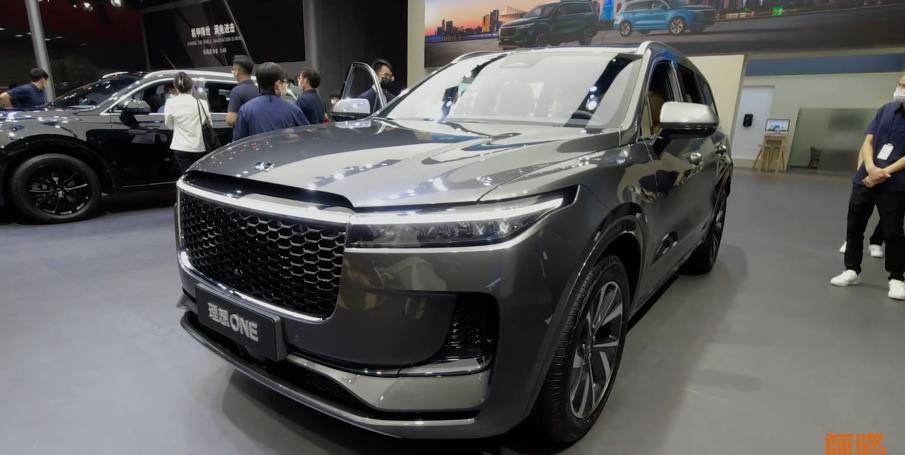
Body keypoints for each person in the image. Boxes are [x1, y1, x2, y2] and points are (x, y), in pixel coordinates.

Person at [831, 72, 905, 300]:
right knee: (854, 226)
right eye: (900, 84)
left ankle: (896, 278)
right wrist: (870, 168)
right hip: (865, 179)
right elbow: (868, 142)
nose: (900, 89)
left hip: (894, 183)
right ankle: (851, 270)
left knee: (893, 232)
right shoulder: (885, 110)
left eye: (904, 86)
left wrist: (883, 172)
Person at [233, 62, 309, 142]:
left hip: (259, 150)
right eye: (284, 82)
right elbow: (307, 136)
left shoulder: (245, 110)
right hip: (288, 150)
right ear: (278, 84)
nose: (286, 85)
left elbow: (238, 142)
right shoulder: (293, 109)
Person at [164, 73, 212, 171]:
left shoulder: (170, 103)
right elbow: (209, 124)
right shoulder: (202, 103)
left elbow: (169, 125)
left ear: (175, 87)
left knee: (186, 174)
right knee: (199, 174)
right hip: (199, 147)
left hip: (180, 146)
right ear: (192, 86)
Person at [226, 55, 257, 128]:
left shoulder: (237, 91)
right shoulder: (258, 89)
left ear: (237, 71)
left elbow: (231, 120)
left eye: (233, 69)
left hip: (243, 133)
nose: (232, 72)